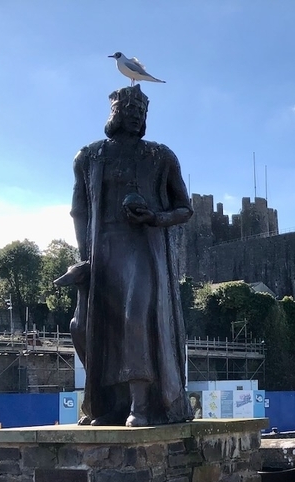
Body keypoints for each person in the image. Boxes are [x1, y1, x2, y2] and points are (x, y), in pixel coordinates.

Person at [64, 85, 193, 426]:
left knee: (135, 319)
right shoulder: (89, 156)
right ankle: (108, 405)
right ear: (115, 113)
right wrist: (83, 257)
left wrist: (155, 216)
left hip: (142, 249)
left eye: (141, 112)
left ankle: (141, 405)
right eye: (130, 110)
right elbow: (79, 212)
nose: (136, 116)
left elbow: (184, 208)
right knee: (90, 327)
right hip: (102, 250)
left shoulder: (160, 156)